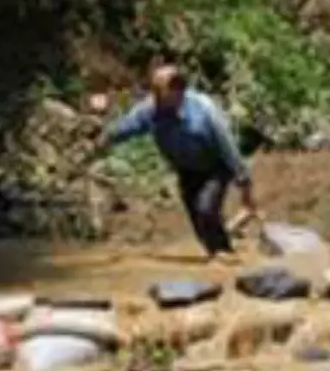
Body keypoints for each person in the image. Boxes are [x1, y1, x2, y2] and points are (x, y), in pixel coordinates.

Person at [96, 64, 256, 259]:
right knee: (199, 223)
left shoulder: (204, 110)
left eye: (158, 90)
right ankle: (219, 256)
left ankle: (225, 254)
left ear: (177, 91)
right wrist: (105, 138)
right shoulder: (150, 110)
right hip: (186, 170)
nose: (153, 96)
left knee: (205, 209)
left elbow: (227, 146)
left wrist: (244, 183)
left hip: (215, 167)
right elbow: (127, 127)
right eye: (153, 90)